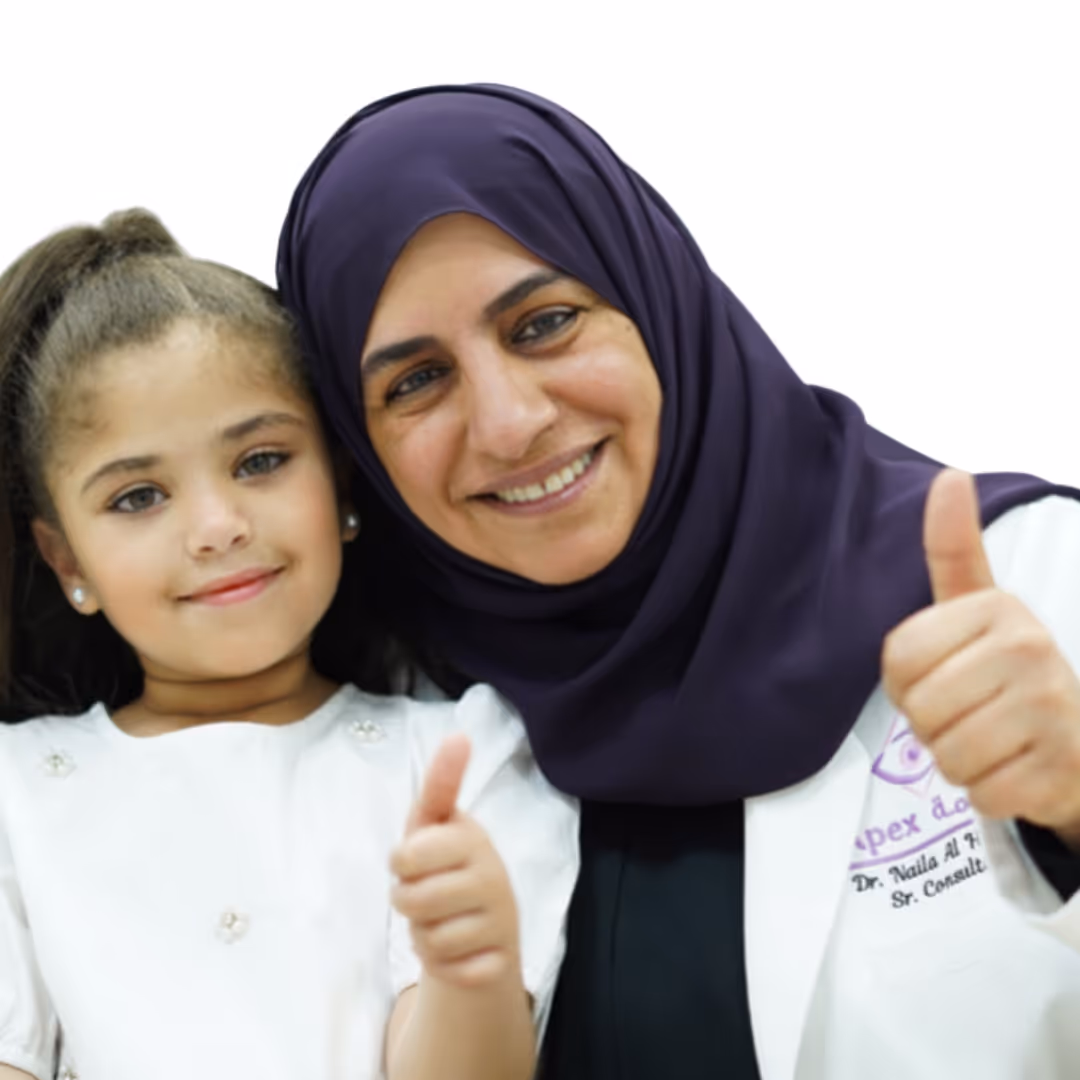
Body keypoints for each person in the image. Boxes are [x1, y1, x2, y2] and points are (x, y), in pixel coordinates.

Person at [277, 84, 1080, 1080]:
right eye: (414, 382)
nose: (508, 423)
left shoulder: (1029, 590)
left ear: (657, 299)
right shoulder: (379, 723)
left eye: (544, 323)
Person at [0, 209, 577, 1080]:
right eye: (137, 497)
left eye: (261, 461)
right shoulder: (17, 801)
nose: (216, 527)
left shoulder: (463, 757)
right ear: (66, 559)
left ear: (342, 487)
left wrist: (472, 969)